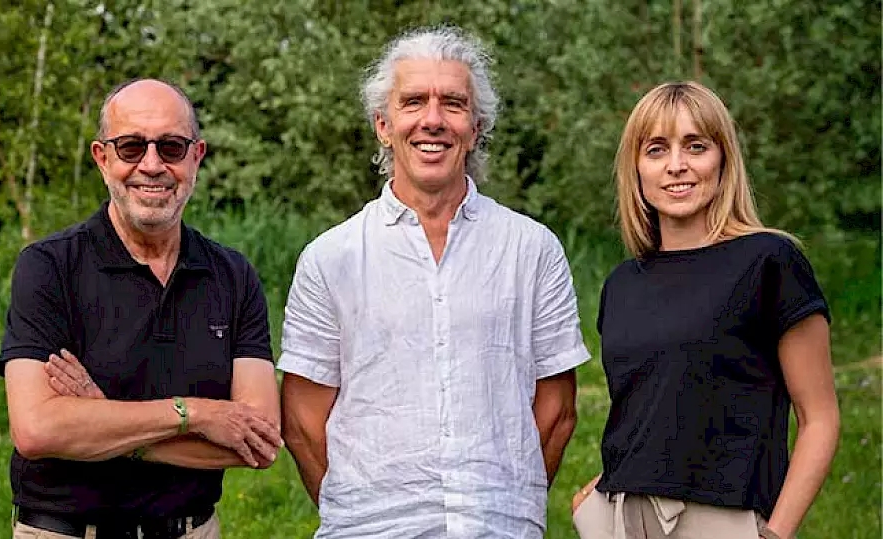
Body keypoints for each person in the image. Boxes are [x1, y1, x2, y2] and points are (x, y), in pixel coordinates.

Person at [278, 26, 592, 538]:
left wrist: (506, 498)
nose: (432, 120)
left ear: (476, 125)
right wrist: (363, 509)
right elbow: (302, 421)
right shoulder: (330, 258)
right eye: (413, 102)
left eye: (452, 103)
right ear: (383, 124)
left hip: (500, 527)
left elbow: (557, 411)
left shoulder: (532, 250)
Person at [0, 78, 283, 539]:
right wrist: (197, 414)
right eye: (131, 147)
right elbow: (36, 430)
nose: (152, 165)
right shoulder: (49, 266)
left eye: (171, 147)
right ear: (102, 157)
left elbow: (260, 441)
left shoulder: (233, 275)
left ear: (197, 156)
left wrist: (108, 422)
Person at [571, 81, 840, 539]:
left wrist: (775, 534)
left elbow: (821, 419)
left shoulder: (769, 261)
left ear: (723, 159)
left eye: (695, 146)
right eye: (657, 149)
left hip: (721, 518)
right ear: (636, 168)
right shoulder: (621, 283)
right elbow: (649, 408)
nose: (677, 166)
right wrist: (595, 503)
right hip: (618, 519)